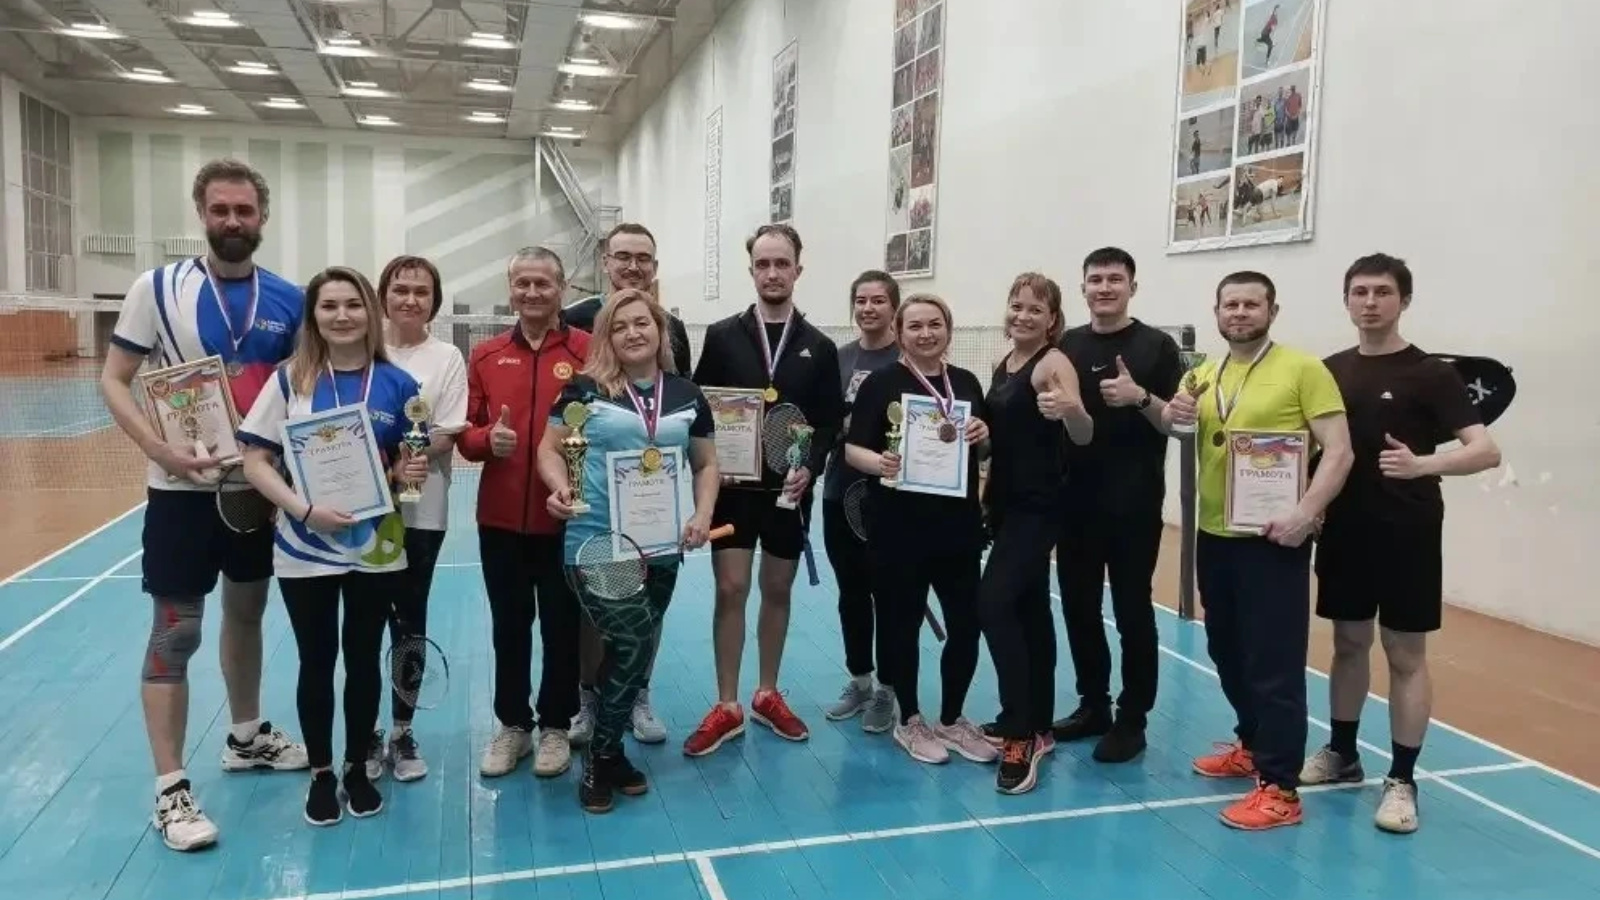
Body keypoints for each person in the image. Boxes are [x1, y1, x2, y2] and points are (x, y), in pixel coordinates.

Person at [98, 158, 308, 852]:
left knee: (246, 613)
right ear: (201, 214)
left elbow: (300, 392)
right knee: (176, 630)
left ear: (262, 217)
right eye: (220, 210)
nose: (232, 221)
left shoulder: (289, 298)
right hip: (179, 494)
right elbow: (116, 378)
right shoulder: (155, 289)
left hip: (254, 492)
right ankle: (171, 789)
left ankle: (245, 737)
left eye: (244, 210)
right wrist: (157, 448)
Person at [1300, 254, 1501, 834]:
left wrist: (1422, 465)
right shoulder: (1328, 370)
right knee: (1347, 643)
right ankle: (1342, 752)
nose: (1370, 302)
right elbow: (1309, 446)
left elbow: (1485, 450)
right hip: (1344, 529)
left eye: (1383, 292)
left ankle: (1402, 780)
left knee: (1404, 654)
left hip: (1408, 531)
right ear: (1346, 300)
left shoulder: (1431, 374)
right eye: (1360, 292)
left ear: (1404, 301)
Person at [236, 266, 429, 826]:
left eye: (353, 304)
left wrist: (406, 474)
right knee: (316, 661)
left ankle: (355, 767)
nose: (342, 316)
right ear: (314, 316)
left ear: (370, 312)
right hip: (304, 544)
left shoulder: (399, 385)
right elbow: (254, 461)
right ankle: (321, 774)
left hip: (376, 546)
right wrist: (303, 510)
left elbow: (407, 480)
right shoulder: (288, 381)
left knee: (364, 659)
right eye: (329, 306)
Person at [1163, 270, 1353, 831]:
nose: (1240, 313)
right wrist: (1172, 414)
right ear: (1217, 313)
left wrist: (1305, 513)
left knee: (1274, 663)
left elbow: (1339, 451)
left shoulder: (1303, 369)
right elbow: (1176, 426)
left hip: (1274, 539)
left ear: (1272, 311)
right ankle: (1252, 744)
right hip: (1215, 535)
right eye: (1231, 304)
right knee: (1226, 648)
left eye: (1251, 304)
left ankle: (1281, 788)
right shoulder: (1203, 375)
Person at [539, 288, 721, 812]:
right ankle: (600, 758)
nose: (633, 333)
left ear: (660, 332)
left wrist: (702, 514)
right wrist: (560, 488)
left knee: (628, 650)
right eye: (619, 327)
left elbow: (706, 464)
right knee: (635, 641)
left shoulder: (687, 394)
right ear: (606, 338)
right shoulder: (584, 389)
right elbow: (550, 449)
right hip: (597, 541)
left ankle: (613, 752)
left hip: (661, 546)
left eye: (642, 323)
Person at [683, 224, 845, 756]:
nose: (772, 273)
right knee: (730, 589)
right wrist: (712, 462)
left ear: (798, 269)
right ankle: (727, 703)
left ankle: (767, 693)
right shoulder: (723, 335)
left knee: (777, 590)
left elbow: (827, 423)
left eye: (782, 264)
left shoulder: (819, 346)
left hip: (788, 494)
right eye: (763, 264)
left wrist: (811, 467)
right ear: (751, 270)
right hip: (733, 490)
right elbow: (702, 405)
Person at [844, 294, 998, 766]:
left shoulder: (966, 382)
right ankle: (909, 720)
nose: (926, 333)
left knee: (967, 625)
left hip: (957, 528)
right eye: (915, 326)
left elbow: (983, 450)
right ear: (899, 332)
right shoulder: (880, 383)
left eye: (935, 324)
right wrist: (880, 462)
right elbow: (852, 450)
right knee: (901, 625)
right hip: (898, 528)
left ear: (948, 329)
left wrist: (984, 436)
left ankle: (951, 719)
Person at [457, 247, 591, 779]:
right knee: (509, 627)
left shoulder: (589, 351)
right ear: (510, 289)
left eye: (543, 283)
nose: (532, 293)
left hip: (568, 519)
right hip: (500, 520)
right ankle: (513, 724)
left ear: (562, 289)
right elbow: (465, 434)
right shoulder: (485, 355)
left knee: (562, 626)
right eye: (522, 284)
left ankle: (555, 725)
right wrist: (487, 441)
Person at [559, 222, 689, 746]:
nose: (633, 266)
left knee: (649, 608)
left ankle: (638, 693)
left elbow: (678, 402)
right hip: (595, 503)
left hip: (653, 503)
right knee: (594, 611)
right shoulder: (573, 318)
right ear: (605, 262)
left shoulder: (673, 327)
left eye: (644, 258)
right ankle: (588, 698)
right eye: (623, 256)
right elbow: (566, 420)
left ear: (654, 267)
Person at [1052, 248, 1184, 763]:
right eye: (1096, 279)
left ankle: (1133, 719)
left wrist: (1140, 397)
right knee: (1079, 607)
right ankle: (1094, 705)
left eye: (1115, 279)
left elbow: (1176, 423)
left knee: (1132, 610)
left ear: (1133, 286)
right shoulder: (1066, 344)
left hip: (1134, 503)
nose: (1104, 287)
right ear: (1083, 287)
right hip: (1075, 501)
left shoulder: (1157, 347)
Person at [982, 273, 1093, 794]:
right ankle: (1041, 723)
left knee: (993, 603)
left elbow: (1083, 431)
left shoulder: (1053, 363)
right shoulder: (1005, 363)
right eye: (1017, 305)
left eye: (1035, 309)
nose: (1023, 315)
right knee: (1029, 610)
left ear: (1052, 319)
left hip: (1039, 507)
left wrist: (1071, 410)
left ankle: (1019, 731)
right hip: (1005, 504)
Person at [362, 254, 469, 784]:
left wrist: (407, 459)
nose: (410, 299)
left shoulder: (446, 357)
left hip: (422, 509)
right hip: (359, 509)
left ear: (434, 301)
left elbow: (446, 434)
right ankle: (364, 731)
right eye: (400, 289)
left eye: (421, 292)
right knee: (362, 621)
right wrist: (376, 468)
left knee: (409, 619)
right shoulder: (361, 349)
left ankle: (402, 731)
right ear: (383, 295)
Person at [822, 271, 902, 732]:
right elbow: (824, 420)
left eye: (878, 300)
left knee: (889, 595)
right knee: (851, 592)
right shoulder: (839, 358)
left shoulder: (907, 358)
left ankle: (888, 689)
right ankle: (860, 680)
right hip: (839, 491)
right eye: (861, 300)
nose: (868, 308)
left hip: (891, 499)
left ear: (894, 307)